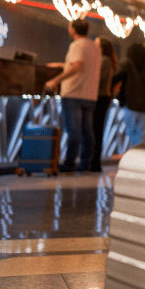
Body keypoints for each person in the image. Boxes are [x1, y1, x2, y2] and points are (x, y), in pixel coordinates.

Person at [43, 19, 102, 174]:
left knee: (74, 131)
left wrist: (55, 80)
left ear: (73, 30)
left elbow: (77, 65)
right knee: (87, 132)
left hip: (73, 93)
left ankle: (69, 165)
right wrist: (63, 66)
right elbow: (81, 66)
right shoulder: (95, 47)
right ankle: (85, 165)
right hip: (90, 95)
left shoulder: (77, 45)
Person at [113, 43, 145, 149]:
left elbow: (115, 77)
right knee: (141, 133)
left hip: (131, 103)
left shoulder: (127, 64)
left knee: (130, 132)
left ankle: (136, 154)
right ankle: (140, 154)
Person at [89, 37, 118, 171]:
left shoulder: (104, 60)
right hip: (103, 97)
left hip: (100, 97)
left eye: (96, 44)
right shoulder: (106, 60)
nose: (93, 46)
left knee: (96, 130)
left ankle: (94, 162)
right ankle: (94, 162)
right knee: (97, 129)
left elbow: (97, 79)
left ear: (101, 47)